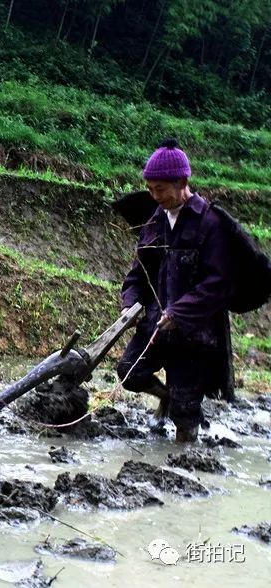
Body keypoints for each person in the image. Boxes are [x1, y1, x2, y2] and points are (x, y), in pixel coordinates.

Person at [116, 139, 233, 442]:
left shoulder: (209, 222)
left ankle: (182, 464)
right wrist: (130, 305)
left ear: (182, 182)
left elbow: (218, 283)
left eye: (161, 189)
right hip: (156, 324)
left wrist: (180, 312)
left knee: (186, 415)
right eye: (151, 189)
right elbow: (137, 275)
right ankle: (165, 397)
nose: (155, 197)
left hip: (193, 333)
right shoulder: (154, 221)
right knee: (130, 371)